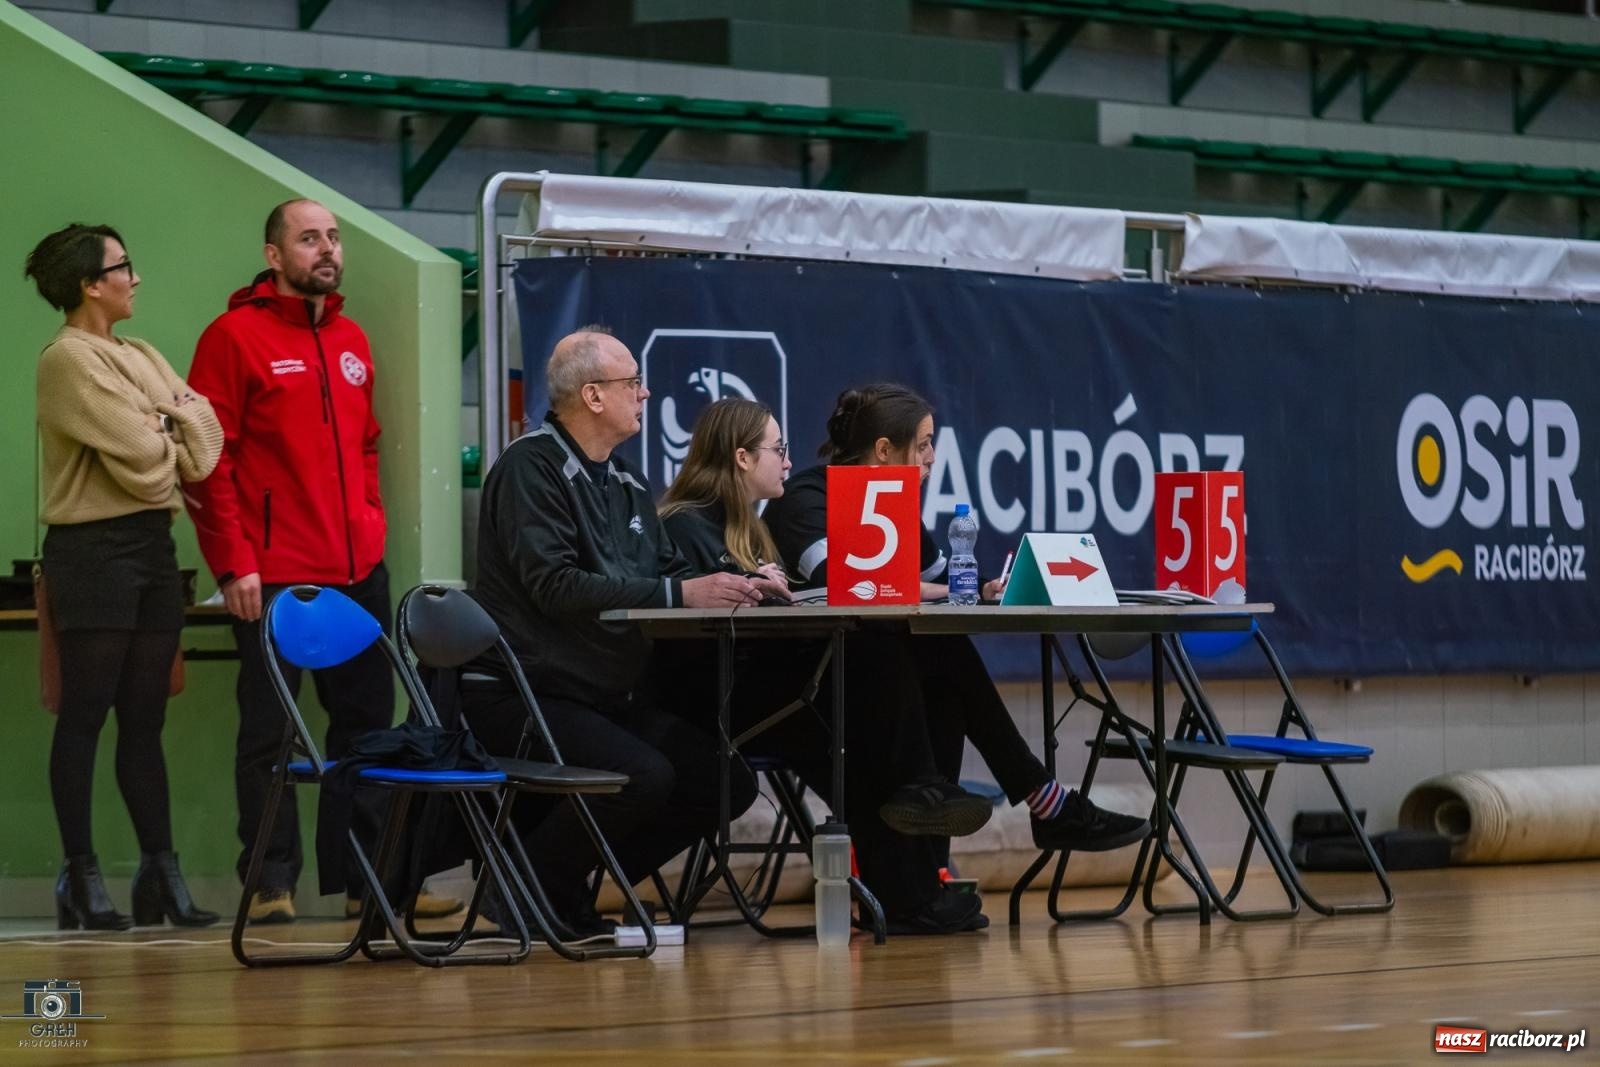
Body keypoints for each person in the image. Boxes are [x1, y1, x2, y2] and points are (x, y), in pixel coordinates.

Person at [186, 199, 457, 924]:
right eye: (309, 239)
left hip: (357, 569)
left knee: (368, 728)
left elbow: (366, 444)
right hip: (272, 574)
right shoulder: (232, 337)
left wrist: (371, 523)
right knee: (270, 730)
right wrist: (232, 562)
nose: (327, 249)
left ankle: (365, 880)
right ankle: (270, 880)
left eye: (333, 238)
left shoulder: (352, 338)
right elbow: (207, 460)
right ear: (274, 255)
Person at [465, 326, 772, 934]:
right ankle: (525, 883)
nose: (647, 393)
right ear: (593, 396)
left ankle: (556, 882)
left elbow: (670, 570)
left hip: (600, 695)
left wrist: (741, 583)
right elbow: (554, 586)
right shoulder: (531, 467)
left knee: (727, 780)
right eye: (633, 382)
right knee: (646, 774)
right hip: (523, 691)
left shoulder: (626, 481)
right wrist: (678, 593)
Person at [764, 383, 1152, 857]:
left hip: (887, 676)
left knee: (944, 674)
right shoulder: (806, 495)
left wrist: (987, 587)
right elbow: (845, 580)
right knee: (940, 652)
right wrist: (954, 590)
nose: (930, 459)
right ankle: (1044, 802)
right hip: (816, 679)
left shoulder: (896, 505)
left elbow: (942, 575)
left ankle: (939, 853)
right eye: (923, 445)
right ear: (884, 450)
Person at [657, 397, 995, 934]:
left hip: (757, 684)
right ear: (742, 458)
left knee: (908, 677)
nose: (789, 462)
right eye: (778, 450)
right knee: (874, 691)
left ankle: (915, 878)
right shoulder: (683, 524)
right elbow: (685, 627)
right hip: (718, 698)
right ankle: (914, 872)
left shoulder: (746, 528)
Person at [28, 223, 225, 929]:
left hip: (149, 548)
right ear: (90, 283)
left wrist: (164, 426)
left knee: (147, 716)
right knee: (85, 712)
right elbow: (146, 466)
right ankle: (79, 876)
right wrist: (166, 425)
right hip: (90, 549)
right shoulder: (67, 360)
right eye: (123, 266)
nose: (135, 278)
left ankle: (158, 874)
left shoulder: (138, 352)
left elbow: (206, 444)